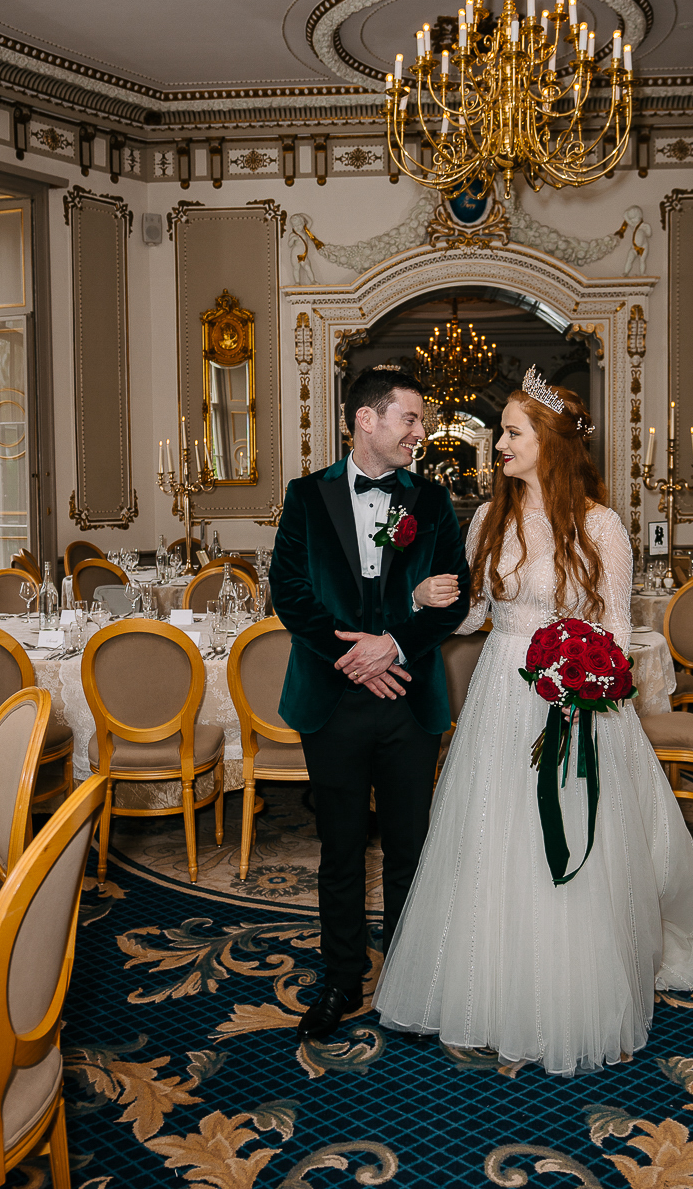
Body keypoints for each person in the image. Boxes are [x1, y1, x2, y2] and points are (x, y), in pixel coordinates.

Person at [374, 368, 693, 1076]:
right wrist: (426, 595)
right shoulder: (486, 520)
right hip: (502, 692)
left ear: (550, 444)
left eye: (512, 432)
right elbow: (475, 615)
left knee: (568, 844)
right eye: (500, 431)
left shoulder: (600, 525)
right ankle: (486, 983)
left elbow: (616, 634)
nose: (498, 443)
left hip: (569, 702)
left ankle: (575, 990)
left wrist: (577, 671)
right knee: (491, 835)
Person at [269, 365, 472, 1041]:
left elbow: (455, 597)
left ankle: (411, 980)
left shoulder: (433, 502)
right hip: (332, 697)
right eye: (410, 419)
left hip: (409, 696)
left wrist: (392, 647)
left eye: (420, 420)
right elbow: (291, 594)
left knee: (411, 848)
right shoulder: (305, 497)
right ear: (366, 420)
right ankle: (341, 977)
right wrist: (351, 657)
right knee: (340, 847)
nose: (422, 431)